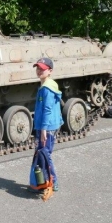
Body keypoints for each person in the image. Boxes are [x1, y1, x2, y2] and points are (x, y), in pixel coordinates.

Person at [28, 57, 63, 201]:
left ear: (50, 71)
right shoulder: (45, 85)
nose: (39, 71)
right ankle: (41, 182)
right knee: (42, 153)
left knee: (44, 153)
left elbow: (48, 110)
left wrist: (43, 129)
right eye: (38, 68)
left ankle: (53, 182)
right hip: (46, 125)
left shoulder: (47, 88)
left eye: (42, 69)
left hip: (47, 127)